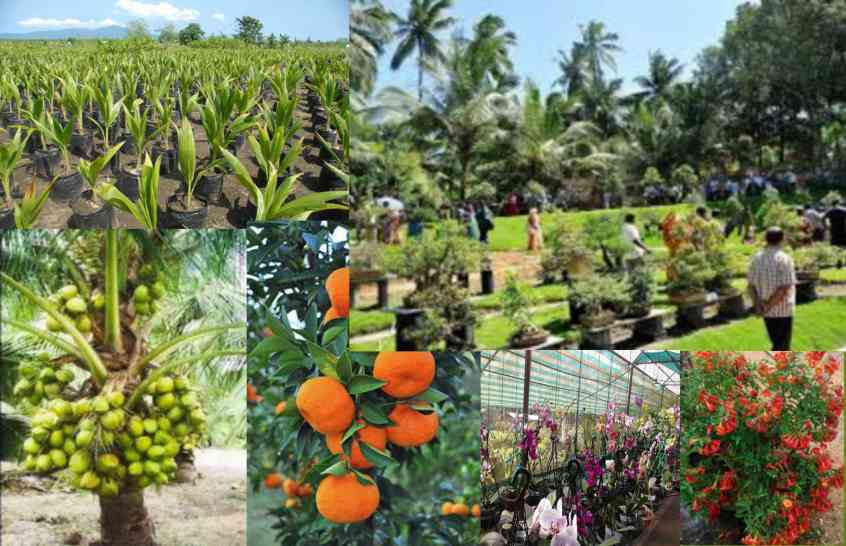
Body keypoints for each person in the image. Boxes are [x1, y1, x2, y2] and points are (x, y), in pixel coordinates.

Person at [747, 227, 796, 350]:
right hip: (782, 310)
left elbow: (751, 285)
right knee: (782, 347)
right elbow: (785, 288)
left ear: (765, 239)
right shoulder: (784, 259)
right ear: (782, 239)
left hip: (765, 310)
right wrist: (767, 306)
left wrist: (758, 305)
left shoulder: (756, 258)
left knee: (777, 343)